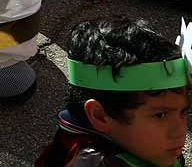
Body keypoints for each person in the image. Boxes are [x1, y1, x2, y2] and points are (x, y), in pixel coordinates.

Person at [36, 16, 189, 167]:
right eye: (160, 115)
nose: (181, 131)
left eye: (184, 111)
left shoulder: (150, 148)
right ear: (100, 116)